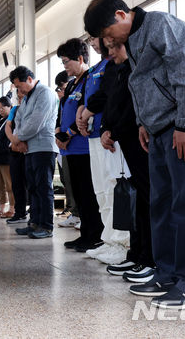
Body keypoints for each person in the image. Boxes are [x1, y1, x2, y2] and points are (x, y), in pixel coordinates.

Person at [84, 0, 185, 310]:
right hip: (157, 131)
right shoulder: (133, 40)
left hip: (184, 128)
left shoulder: (160, 24)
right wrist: (144, 123)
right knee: (161, 206)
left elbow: (184, 73)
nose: (107, 41)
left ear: (120, 14)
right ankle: (167, 273)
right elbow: (140, 85)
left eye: (106, 32)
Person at [100, 42, 155, 283]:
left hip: (139, 139)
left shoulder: (138, 67)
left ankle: (151, 258)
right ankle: (137, 253)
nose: (110, 53)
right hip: (124, 139)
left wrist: (115, 130)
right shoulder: (119, 69)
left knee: (147, 199)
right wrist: (106, 128)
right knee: (137, 201)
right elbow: (111, 103)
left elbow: (135, 107)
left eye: (114, 47)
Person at [76, 38, 130, 265]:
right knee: (101, 191)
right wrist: (83, 110)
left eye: (94, 37)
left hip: (112, 135)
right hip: (96, 132)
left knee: (115, 189)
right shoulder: (99, 67)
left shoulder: (118, 63)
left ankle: (123, 243)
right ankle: (109, 240)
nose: (92, 43)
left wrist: (88, 110)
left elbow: (107, 95)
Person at [56, 39, 104, 252]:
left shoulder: (90, 79)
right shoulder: (73, 83)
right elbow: (63, 111)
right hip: (70, 148)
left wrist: (68, 133)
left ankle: (94, 236)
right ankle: (85, 233)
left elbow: (87, 111)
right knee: (78, 194)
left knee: (88, 194)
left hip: (84, 146)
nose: (64, 66)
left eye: (67, 61)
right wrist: (59, 132)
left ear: (81, 58)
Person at [8, 66, 59, 239]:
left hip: (44, 148)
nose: (18, 90)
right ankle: (34, 223)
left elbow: (36, 122)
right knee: (33, 188)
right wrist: (18, 140)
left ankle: (46, 226)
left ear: (29, 79)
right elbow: (19, 119)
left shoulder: (45, 93)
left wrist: (18, 139)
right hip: (28, 149)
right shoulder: (28, 97)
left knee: (44, 188)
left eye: (19, 85)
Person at [54, 71, 80, 229]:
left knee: (81, 183)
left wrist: (67, 135)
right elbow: (59, 120)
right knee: (69, 182)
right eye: (57, 89)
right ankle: (75, 213)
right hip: (64, 147)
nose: (59, 92)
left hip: (77, 144)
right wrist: (59, 135)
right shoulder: (63, 102)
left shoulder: (76, 96)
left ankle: (82, 214)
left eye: (61, 88)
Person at [4, 89, 29, 224]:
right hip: (14, 149)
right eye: (18, 97)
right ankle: (19, 213)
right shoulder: (14, 110)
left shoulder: (31, 108)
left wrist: (20, 142)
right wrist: (13, 140)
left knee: (30, 183)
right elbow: (8, 126)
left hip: (27, 149)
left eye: (23, 96)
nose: (21, 99)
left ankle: (34, 212)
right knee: (16, 183)